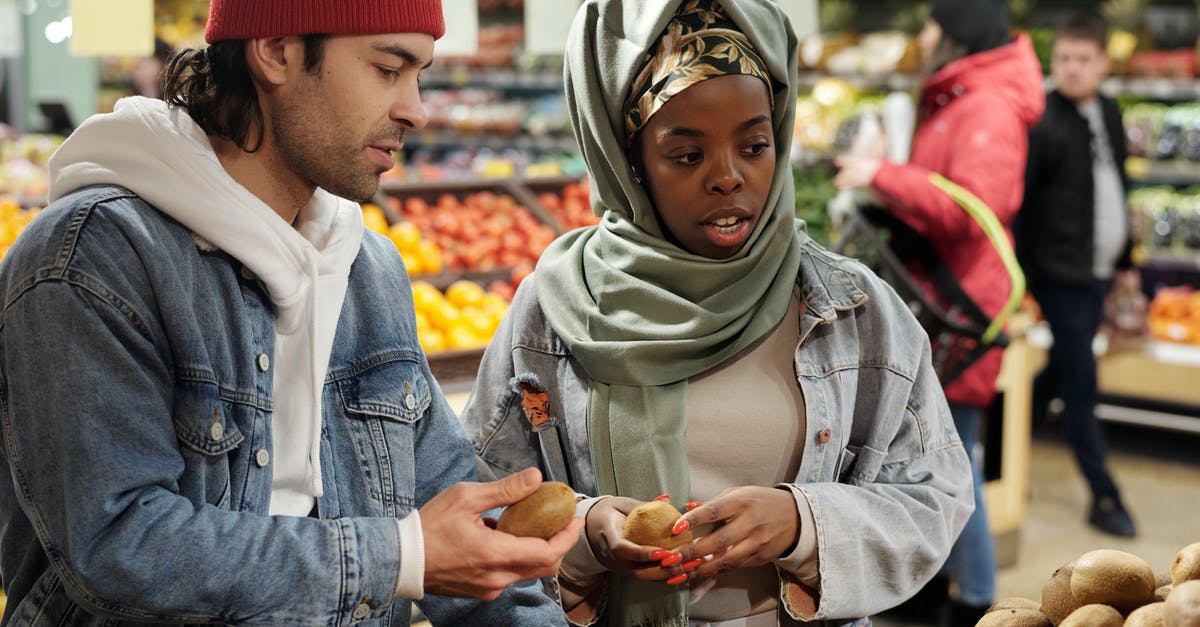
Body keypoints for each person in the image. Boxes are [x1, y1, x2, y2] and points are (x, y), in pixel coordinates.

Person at [0, 0, 584, 624]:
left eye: (421, 75)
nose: (415, 108)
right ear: (276, 50)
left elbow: (447, 502)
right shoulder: (96, 258)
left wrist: (586, 520)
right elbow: (117, 544)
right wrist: (400, 555)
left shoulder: (364, 266)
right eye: (389, 69)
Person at [456, 1, 974, 625]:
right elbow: (479, 505)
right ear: (630, 163)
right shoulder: (553, 312)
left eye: (754, 145)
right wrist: (586, 531)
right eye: (685, 156)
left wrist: (805, 524)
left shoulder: (854, 312)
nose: (729, 178)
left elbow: (934, 499)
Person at [832, 0, 1046, 624]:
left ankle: (977, 603)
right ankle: (938, 588)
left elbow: (976, 205)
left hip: (963, 310)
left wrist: (885, 175)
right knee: (939, 457)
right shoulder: (959, 98)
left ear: (956, 35)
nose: (921, 38)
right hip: (944, 301)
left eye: (930, 25)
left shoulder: (988, 106)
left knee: (956, 465)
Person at [1015, 10, 1138, 538]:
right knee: (1081, 383)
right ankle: (1105, 495)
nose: (1071, 68)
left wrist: (1127, 261)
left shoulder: (1109, 111)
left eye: (1083, 59)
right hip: (1060, 274)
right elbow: (1020, 202)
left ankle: (1002, 446)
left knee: (1059, 373)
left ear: (1104, 63)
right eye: (1063, 58)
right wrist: (1020, 280)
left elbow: (1118, 189)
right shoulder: (1042, 118)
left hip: (1098, 271)